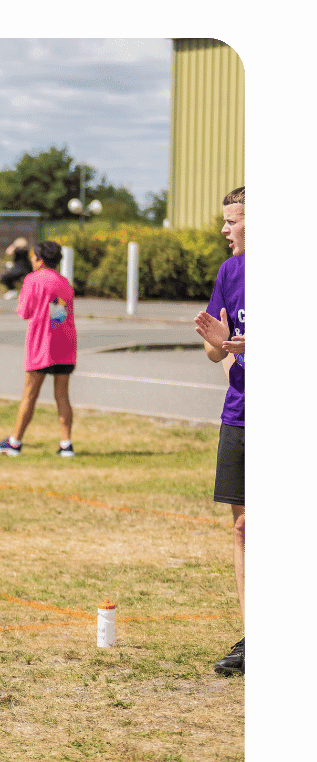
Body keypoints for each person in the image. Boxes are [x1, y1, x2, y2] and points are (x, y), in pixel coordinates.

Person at [193, 186, 245, 677]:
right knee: (244, 528)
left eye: (233, 221)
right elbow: (219, 351)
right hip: (240, 413)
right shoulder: (230, 273)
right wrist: (219, 343)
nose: (225, 229)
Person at [0, 241, 76, 457]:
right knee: (62, 395)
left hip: (42, 344)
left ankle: (15, 442)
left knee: (29, 394)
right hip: (65, 342)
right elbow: (60, 313)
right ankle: (66, 444)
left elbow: (24, 311)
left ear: (40, 259)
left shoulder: (33, 280)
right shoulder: (64, 282)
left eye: (33, 257)